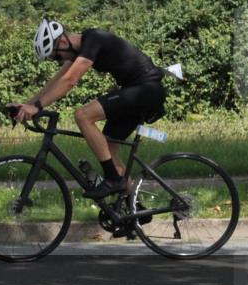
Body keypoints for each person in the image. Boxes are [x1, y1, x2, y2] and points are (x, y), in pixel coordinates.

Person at [9, 18, 167, 199]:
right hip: (136, 92)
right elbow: (56, 81)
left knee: (83, 116)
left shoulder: (94, 39)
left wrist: (38, 106)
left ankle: (114, 181)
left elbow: (69, 81)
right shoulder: (78, 51)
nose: (59, 62)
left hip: (146, 89)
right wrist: (28, 104)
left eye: (57, 56)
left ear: (62, 41)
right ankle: (133, 209)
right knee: (107, 150)